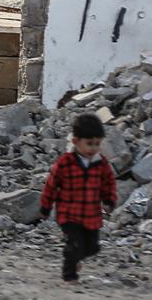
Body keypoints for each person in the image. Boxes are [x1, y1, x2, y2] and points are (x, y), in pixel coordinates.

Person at [39, 113, 118, 283]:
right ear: (75, 141)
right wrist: (45, 207)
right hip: (68, 214)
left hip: (91, 215)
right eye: (89, 144)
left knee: (93, 247)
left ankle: (75, 259)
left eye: (97, 144)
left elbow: (108, 183)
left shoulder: (101, 163)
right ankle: (70, 275)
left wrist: (109, 200)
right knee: (74, 245)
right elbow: (51, 185)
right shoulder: (65, 163)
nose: (93, 148)